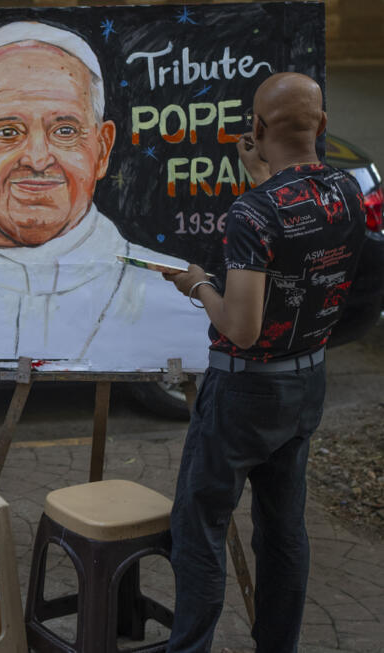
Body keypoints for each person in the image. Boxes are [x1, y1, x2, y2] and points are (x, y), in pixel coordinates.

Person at [163, 72, 367, 653]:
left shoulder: (253, 214)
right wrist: (262, 180)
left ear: (255, 128)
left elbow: (243, 329)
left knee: (198, 527)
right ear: (322, 125)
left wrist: (201, 284)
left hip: (244, 395)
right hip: (307, 384)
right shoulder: (347, 191)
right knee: (283, 532)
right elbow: (298, 232)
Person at [0, 21, 207, 369]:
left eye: (65, 130)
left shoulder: (174, 294)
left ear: (102, 149)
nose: (37, 158)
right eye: (8, 132)